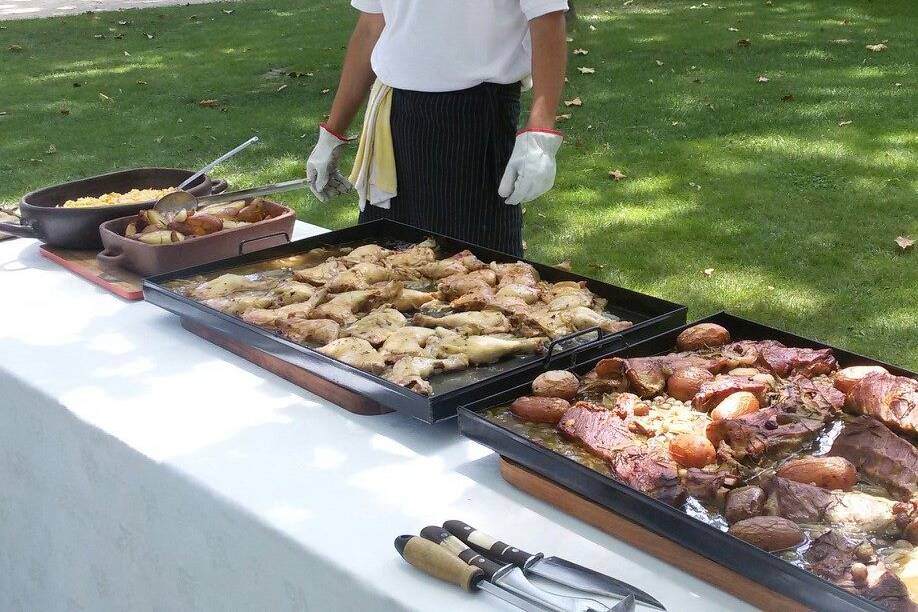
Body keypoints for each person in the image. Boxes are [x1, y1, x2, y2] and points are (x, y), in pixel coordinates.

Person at [305, 0, 569, 256]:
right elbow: (370, 26)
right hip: (393, 119)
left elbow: (546, 19)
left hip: (475, 122)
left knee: (479, 274)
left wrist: (540, 134)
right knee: (382, 268)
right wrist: (331, 133)